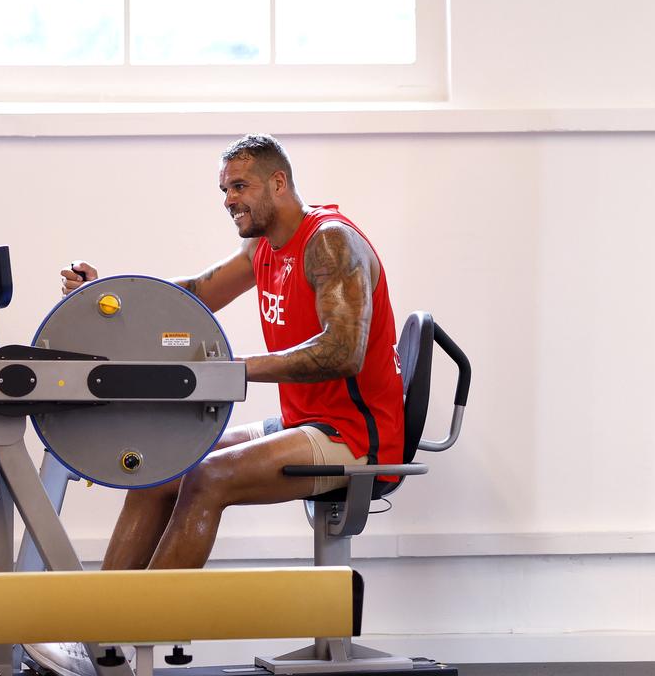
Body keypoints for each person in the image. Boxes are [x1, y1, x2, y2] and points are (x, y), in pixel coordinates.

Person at [25, 134, 404, 676]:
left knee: (207, 478)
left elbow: (342, 353)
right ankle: (95, 637)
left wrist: (232, 371)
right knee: (163, 471)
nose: (229, 199)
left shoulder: (329, 243)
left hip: (358, 436)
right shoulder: (264, 249)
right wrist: (106, 294)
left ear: (278, 183)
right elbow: (194, 293)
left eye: (240, 186)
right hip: (305, 419)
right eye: (224, 189)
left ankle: (130, 639)